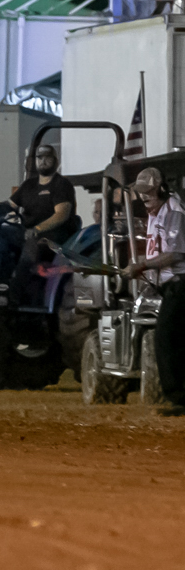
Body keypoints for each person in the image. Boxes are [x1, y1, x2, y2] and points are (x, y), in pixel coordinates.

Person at [128, 168, 185, 406]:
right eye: (141, 193)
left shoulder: (173, 211)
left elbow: (174, 253)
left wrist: (141, 265)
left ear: (162, 189)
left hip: (180, 285)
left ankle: (177, 398)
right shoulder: (156, 213)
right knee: (173, 340)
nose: (144, 198)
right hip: (168, 287)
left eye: (149, 193)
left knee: (165, 339)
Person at [4, 144, 77, 306]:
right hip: (27, 231)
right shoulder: (28, 185)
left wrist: (36, 229)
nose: (43, 161)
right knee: (0, 237)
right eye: (40, 158)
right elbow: (10, 205)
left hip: (55, 233)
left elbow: (61, 215)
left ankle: (15, 294)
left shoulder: (61, 185)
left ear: (55, 162)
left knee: (33, 243)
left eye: (47, 158)